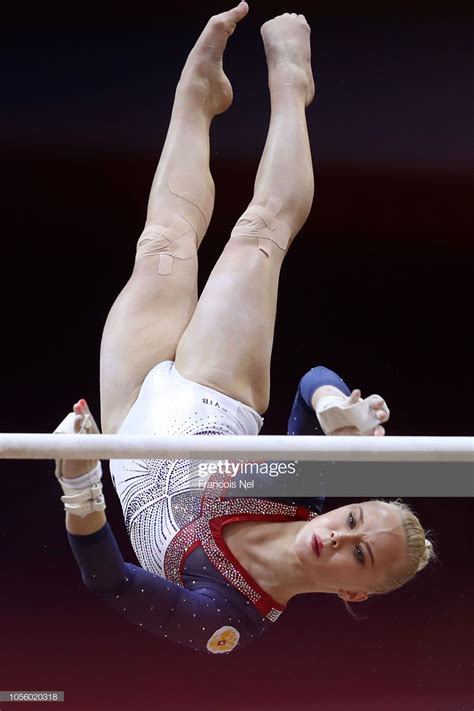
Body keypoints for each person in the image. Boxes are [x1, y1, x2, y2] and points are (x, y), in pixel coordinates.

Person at [54, 3, 434, 655]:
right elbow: (313, 380)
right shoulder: (296, 494)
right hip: (211, 391)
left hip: (128, 425)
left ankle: (196, 99)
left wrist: (79, 482)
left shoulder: (232, 613)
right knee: (258, 231)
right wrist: (334, 408)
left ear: (354, 592)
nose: (339, 535)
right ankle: (291, 83)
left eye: (359, 554)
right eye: (351, 520)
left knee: (162, 242)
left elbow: (110, 580)